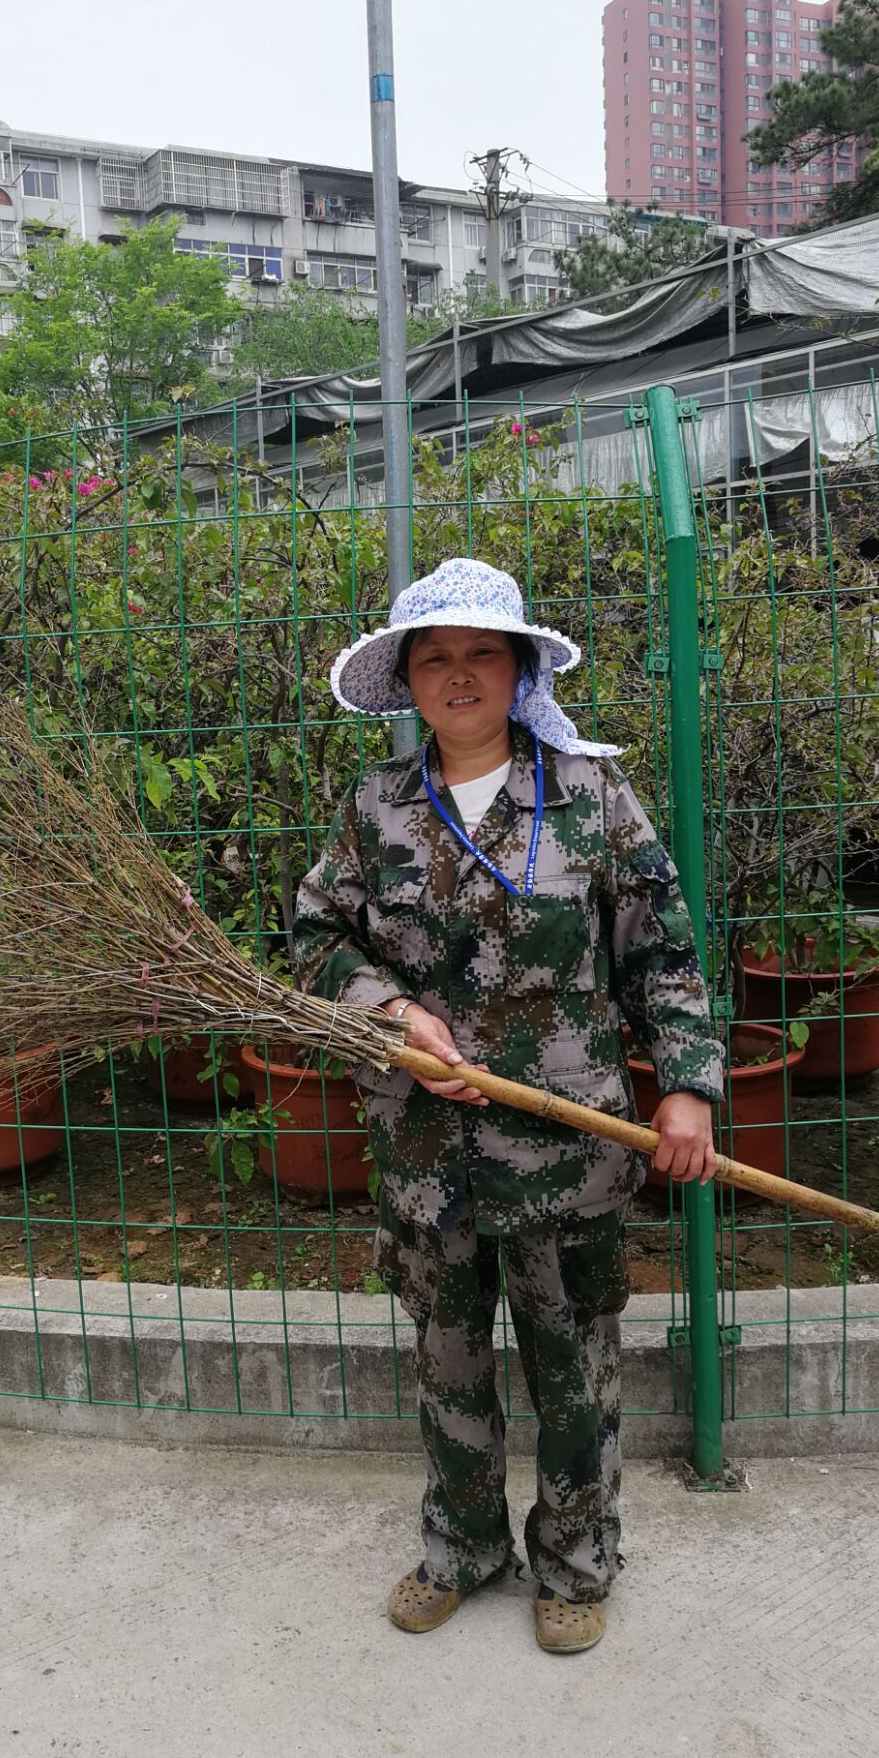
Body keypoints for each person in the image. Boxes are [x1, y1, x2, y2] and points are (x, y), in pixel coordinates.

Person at [292, 556, 723, 1653]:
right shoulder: (375, 807)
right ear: (407, 680)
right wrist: (389, 1010)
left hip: (568, 1150)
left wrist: (687, 1090)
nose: (460, 674)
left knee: (574, 1374)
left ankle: (576, 1563)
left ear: (522, 668)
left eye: (483, 652)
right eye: (434, 657)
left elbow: (663, 955)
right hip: (425, 1150)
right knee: (449, 1367)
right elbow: (315, 939)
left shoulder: (592, 797)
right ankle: (463, 1546)